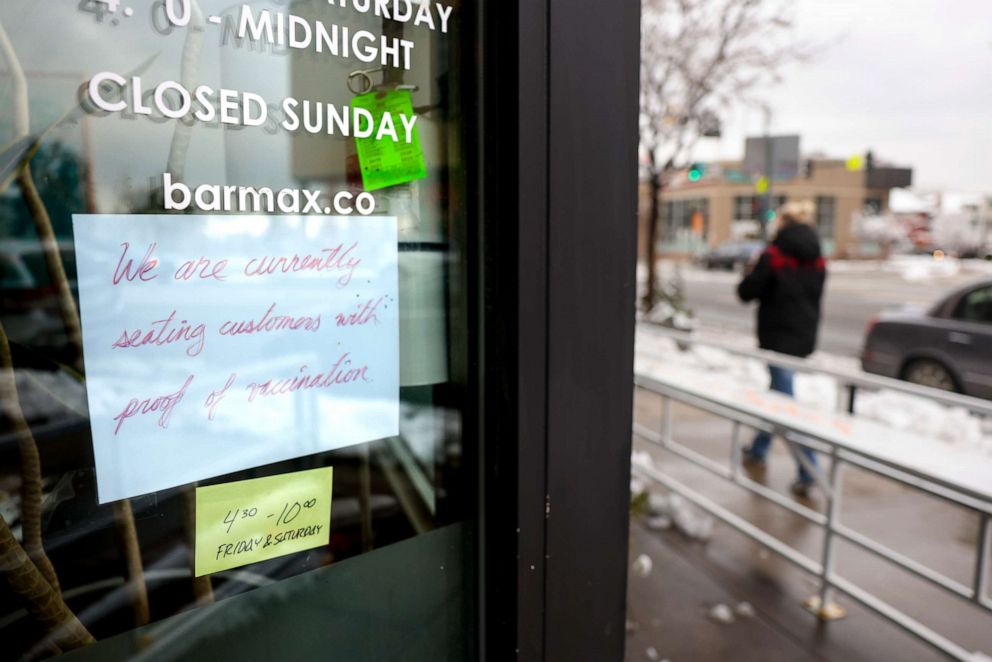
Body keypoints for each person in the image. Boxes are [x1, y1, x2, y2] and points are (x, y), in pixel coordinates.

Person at [736, 199, 827, 498]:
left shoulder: (773, 255)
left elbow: (746, 292)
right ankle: (758, 449)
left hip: (776, 340)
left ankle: (809, 470)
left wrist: (752, 271)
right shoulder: (817, 256)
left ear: (783, 223)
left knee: (786, 406)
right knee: (778, 395)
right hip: (802, 338)